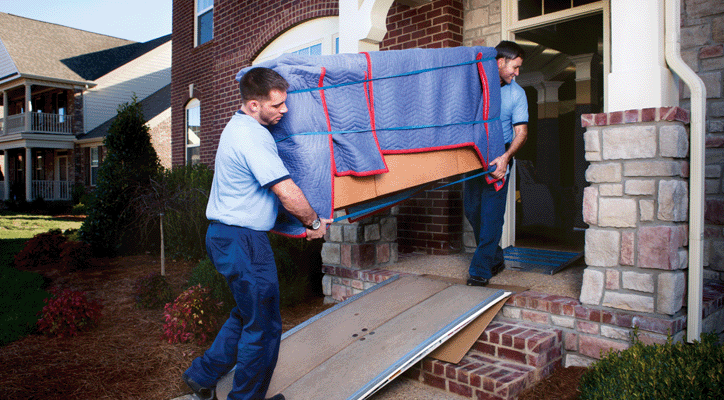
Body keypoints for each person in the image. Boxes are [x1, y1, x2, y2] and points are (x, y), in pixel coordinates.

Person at [182, 67, 332, 400]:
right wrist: (313, 223)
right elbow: (286, 191)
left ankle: (202, 375)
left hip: (227, 237)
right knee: (263, 326)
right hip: (243, 241)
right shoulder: (252, 136)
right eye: (277, 105)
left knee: (248, 314)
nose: (285, 110)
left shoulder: (237, 127)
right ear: (253, 105)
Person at [464, 40, 528, 287]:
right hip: (474, 157)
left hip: (499, 157)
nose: (517, 72)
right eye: (515, 66)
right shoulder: (477, 86)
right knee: (472, 210)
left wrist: (505, 157)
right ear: (500, 62)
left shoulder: (517, 93)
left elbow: (521, 132)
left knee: (491, 214)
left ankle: (480, 270)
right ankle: (496, 257)